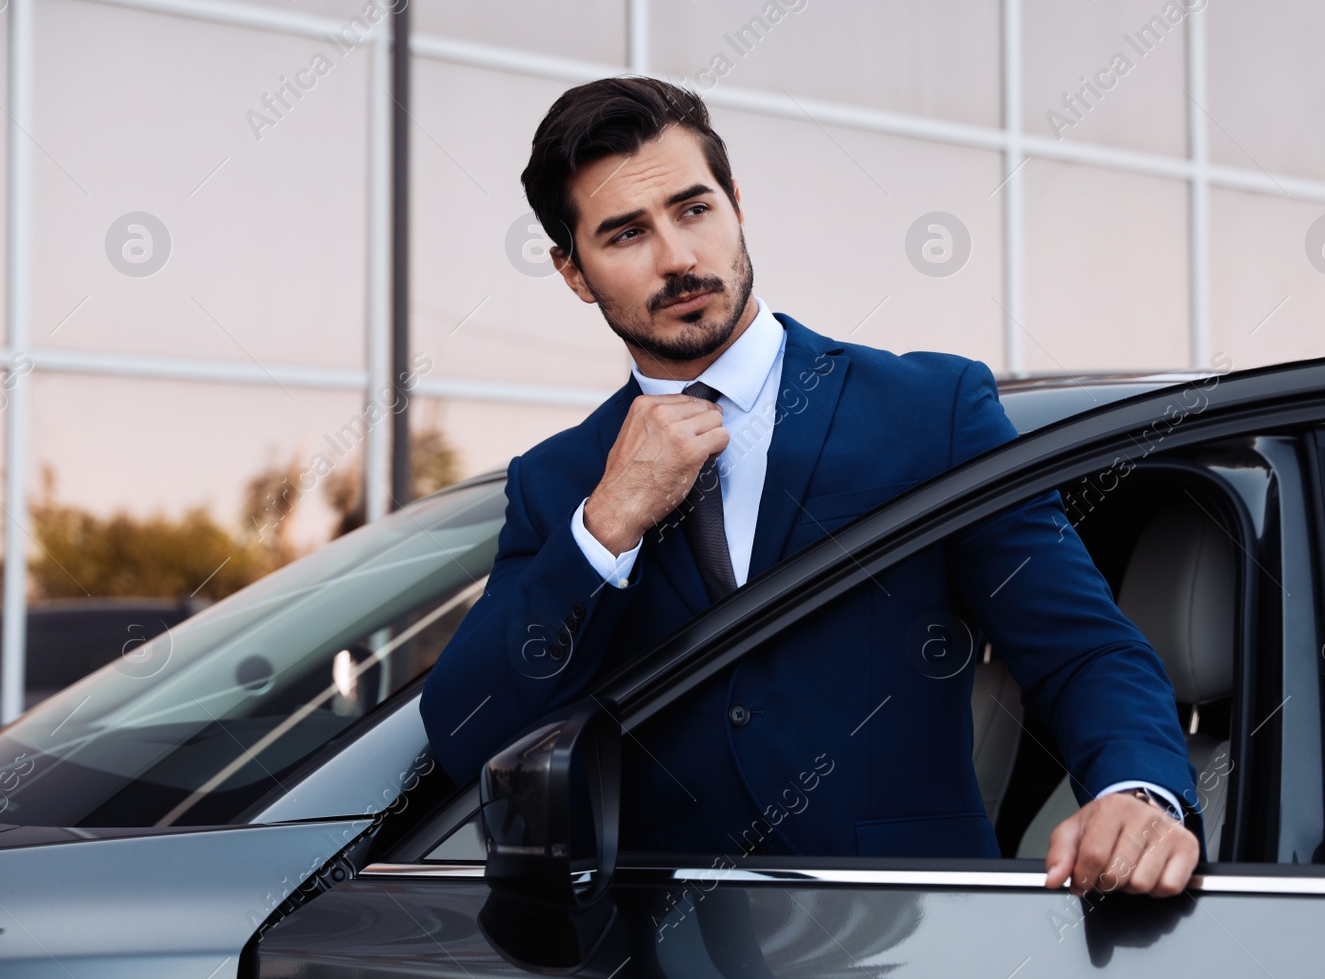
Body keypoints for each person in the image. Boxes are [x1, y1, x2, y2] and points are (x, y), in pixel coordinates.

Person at [421, 77, 1202, 898]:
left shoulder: (929, 413)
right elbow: (469, 731)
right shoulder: (559, 482)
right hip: (665, 947)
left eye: (694, 210)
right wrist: (607, 521)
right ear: (574, 271)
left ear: (738, 206)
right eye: (625, 235)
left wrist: (1136, 790)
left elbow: (1082, 648)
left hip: (916, 935)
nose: (679, 257)